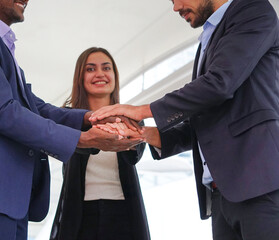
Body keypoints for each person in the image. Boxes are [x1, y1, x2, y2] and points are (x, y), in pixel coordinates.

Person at [0, 1, 143, 239]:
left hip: (9, 201)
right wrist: (81, 139)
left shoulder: (2, 46)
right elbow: (2, 112)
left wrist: (93, 118)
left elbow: (38, 108)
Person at [90, 0, 279, 239]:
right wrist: (145, 134)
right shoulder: (207, 38)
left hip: (261, 185)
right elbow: (204, 118)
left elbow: (219, 84)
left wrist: (142, 110)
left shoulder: (253, 11)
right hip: (221, 194)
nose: (175, 7)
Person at [49, 47, 150, 240]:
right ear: (80, 77)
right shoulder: (66, 118)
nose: (100, 74)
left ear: (114, 75)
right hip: (79, 215)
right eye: (90, 69)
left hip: (123, 214)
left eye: (106, 68)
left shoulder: (131, 118)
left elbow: (134, 155)